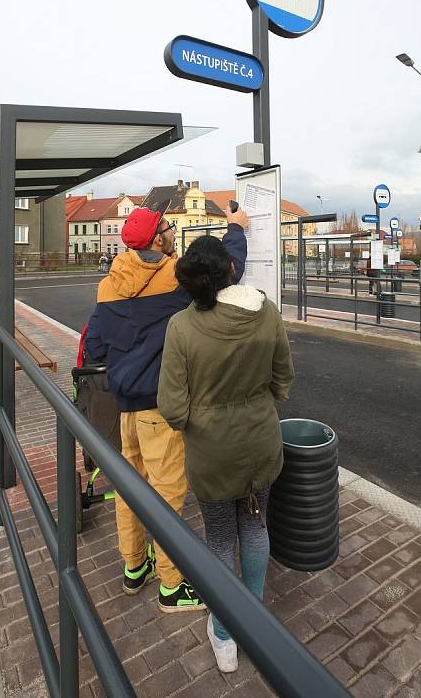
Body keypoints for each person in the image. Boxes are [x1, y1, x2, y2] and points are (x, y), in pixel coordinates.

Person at [85, 201, 248, 612]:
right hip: (159, 406)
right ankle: (173, 587)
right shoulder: (174, 281)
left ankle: (134, 566)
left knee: (129, 486)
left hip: (125, 407)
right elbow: (225, 273)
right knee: (167, 494)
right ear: (158, 239)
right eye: (169, 228)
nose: (173, 232)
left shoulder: (108, 283)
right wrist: (235, 229)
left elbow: (98, 346)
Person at [158, 235, 294, 671]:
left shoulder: (181, 327)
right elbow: (283, 377)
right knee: (255, 527)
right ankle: (253, 622)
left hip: (211, 452)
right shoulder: (266, 312)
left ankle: (223, 634)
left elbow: (173, 407)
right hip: (260, 442)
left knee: (219, 537)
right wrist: (261, 400)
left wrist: (199, 421)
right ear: (230, 271)